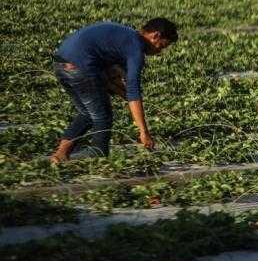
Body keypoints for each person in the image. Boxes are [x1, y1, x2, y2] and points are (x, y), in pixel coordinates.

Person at [49, 18, 178, 164]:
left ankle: (60, 154)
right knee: (103, 116)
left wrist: (131, 100)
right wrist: (144, 132)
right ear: (156, 36)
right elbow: (133, 90)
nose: (159, 51)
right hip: (80, 67)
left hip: (60, 65)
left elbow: (112, 81)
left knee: (88, 113)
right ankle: (98, 154)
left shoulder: (125, 36)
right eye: (161, 46)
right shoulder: (135, 48)